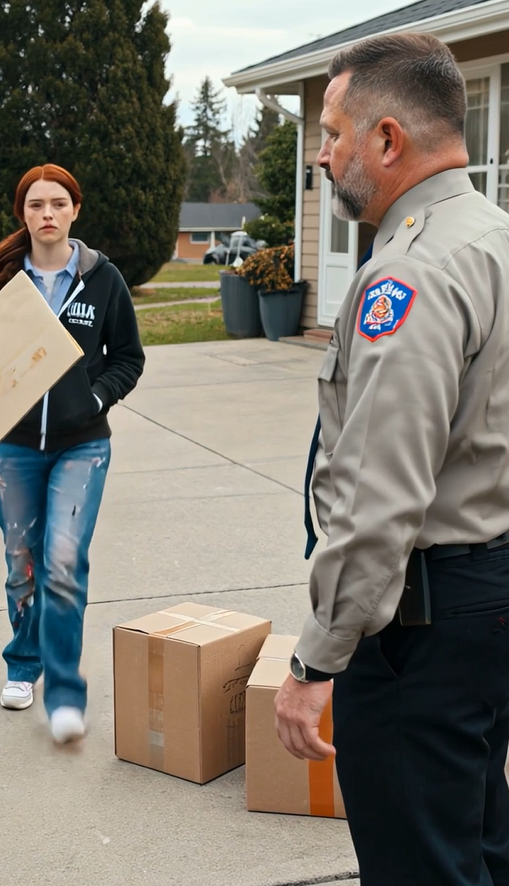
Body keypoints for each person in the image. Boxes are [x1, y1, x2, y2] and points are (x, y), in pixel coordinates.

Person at [273, 33, 509, 886]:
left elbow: (381, 498)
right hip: (486, 603)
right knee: (475, 838)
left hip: (424, 626)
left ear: (387, 140)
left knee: (422, 862)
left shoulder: (409, 273)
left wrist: (314, 662)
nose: (323, 157)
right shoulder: (493, 237)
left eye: (333, 134)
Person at [0, 163, 144, 743]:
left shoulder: (103, 280)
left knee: (63, 563)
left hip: (82, 446)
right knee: (23, 563)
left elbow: (128, 358)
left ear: (75, 211)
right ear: (23, 213)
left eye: (58, 203)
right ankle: (24, 663)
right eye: (36, 204)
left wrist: (96, 396)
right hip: (12, 447)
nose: (47, 214)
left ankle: (65, 692)